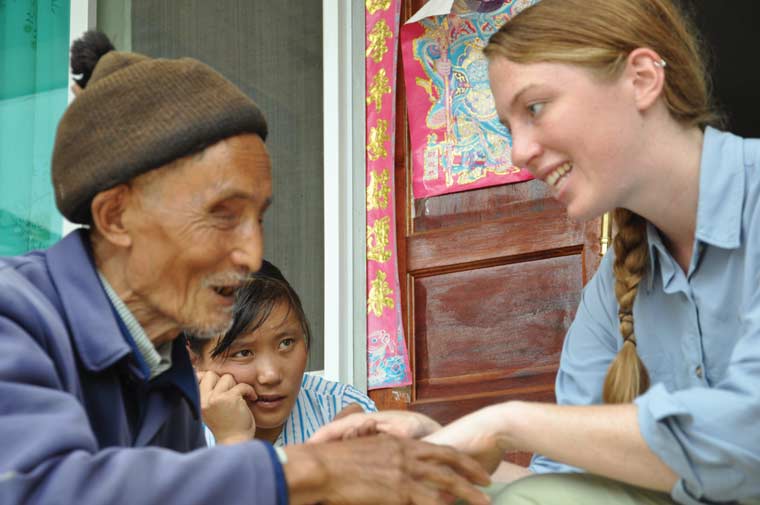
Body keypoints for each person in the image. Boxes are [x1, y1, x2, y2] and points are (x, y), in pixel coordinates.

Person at [0, 31, 492, 505]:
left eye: (258, 218)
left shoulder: (165, 371)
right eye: (222, 215)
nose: (251, 254)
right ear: (116, 216)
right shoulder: (14, 317)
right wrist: (310, 470)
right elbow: (34, 489)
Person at [310, 1, 760, 504]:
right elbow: (555, 487)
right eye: (508, 128)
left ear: (641, 78)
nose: (519, 153)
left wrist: (507, 422)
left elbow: (747, 440)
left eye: (536, 108)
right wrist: (435, 448)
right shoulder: (615, 288)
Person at [186, 259, 377, 447]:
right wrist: (233, 440)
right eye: (243, 353)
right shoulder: (169, 436)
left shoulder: (344, 411)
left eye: (286, 343)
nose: (271, 375)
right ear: (193, 360)